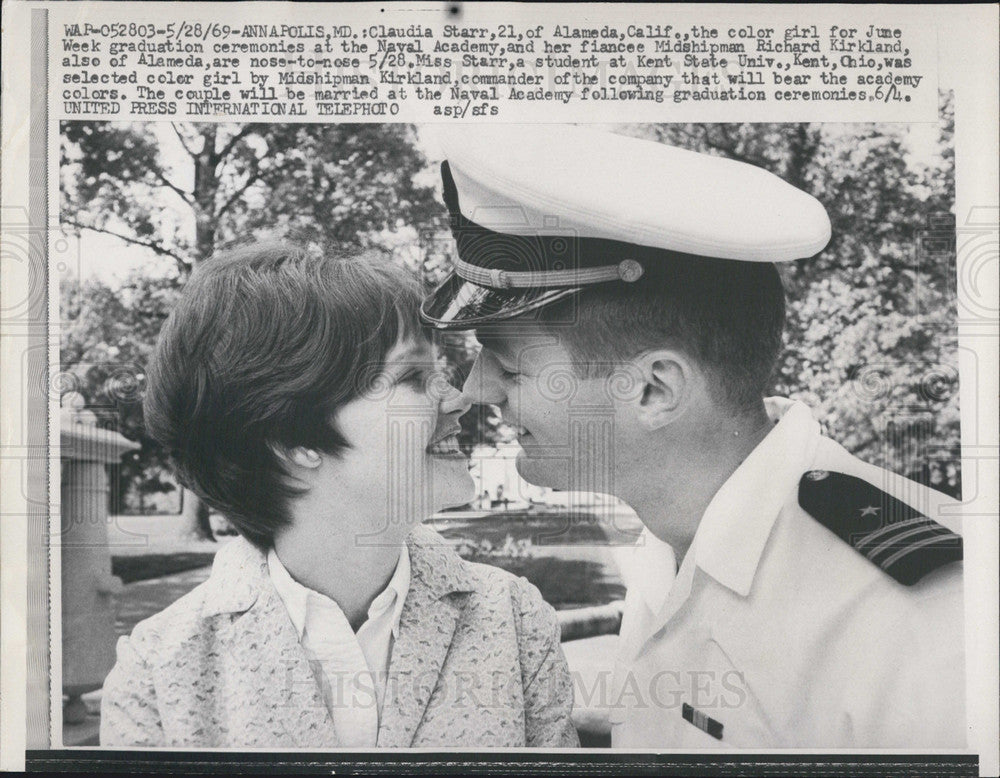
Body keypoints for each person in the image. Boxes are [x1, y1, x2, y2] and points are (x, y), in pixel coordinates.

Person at [420, 125, 965, 748]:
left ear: (653, 390)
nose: (475, 390)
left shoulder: (921, 624)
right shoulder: (678, 540)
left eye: (511, 366)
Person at [100, 243, 578, 748]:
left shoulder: (515, 621)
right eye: (413, 376)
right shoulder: (157, 674)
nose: (459, 399)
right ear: (292, 439)